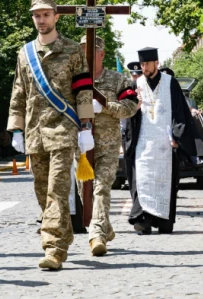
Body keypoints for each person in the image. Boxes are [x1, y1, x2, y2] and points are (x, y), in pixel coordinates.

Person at [8, 0, 94, 271]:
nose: (41, 20)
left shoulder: (71, 50)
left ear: (56, 17)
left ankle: (53, 247)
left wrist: (86, 126)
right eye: (37, 16)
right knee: (42, 190)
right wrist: (16, 128)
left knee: (58, 188)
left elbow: (83, 90)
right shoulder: (25, 53)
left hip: (63, 128)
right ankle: (64, 234)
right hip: (34, 130)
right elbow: (18, 91)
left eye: (46, 15)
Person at [124, 47, 200, 234]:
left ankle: (163, 220)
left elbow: (180, 112)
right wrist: (136, 106)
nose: (144, 68)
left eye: (147, 64)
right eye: (141, 64)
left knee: (164, 182)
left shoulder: (170, 83)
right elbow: (128, 114)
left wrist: (176, 136)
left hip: (165, 143)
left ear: (156, 63)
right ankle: (143, 220)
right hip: (142, 142)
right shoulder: (136, 84)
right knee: (143, 180)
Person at [78, 36, 138, 256]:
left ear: (101, 54)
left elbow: (131, 106)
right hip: (81, 144)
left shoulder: (117, 80)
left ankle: (97, 235)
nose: (86, 55)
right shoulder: (73, 80)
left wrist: (105, 107)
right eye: (82, 50)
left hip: (108, 144)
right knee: (84, 191)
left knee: (101, 188)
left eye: (90, 51)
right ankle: (106, 226)